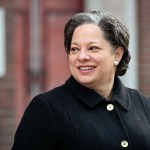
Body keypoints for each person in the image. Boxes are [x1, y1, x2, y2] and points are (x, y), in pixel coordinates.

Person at [12, 11, 150, 150]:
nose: (81, 56)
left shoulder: (143, 104)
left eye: (93, 48)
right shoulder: (46, 108)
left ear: (117, 55)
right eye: (75, 49)